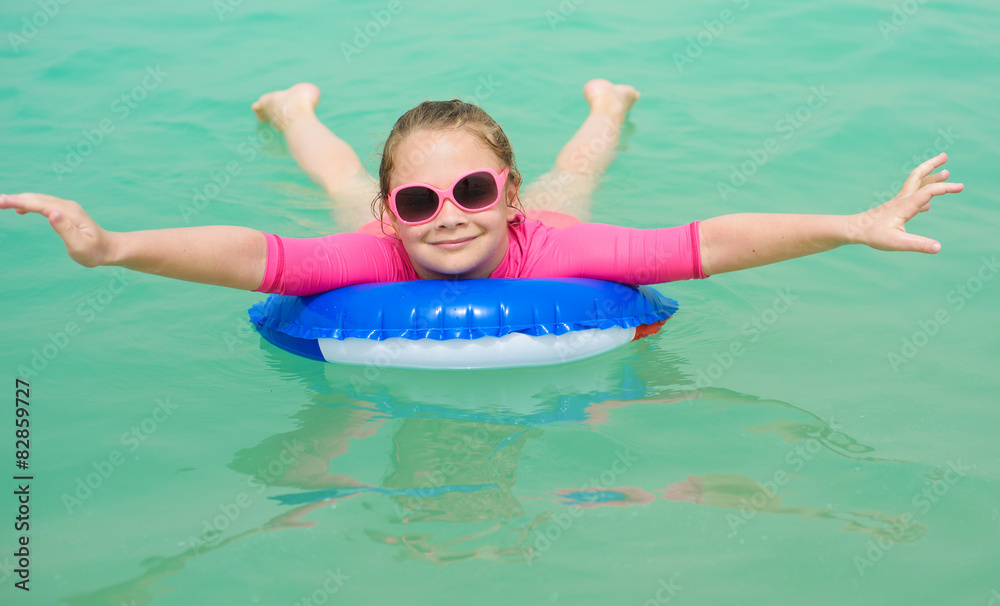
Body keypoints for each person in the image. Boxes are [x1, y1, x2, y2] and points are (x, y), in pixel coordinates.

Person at [0, 80, 963, 297]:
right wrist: (112, 246)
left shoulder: (550, 237)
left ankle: (607, 100)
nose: (446, 215)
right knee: (337, 179)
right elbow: (261, 255)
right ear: (397, 215)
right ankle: (295, 110)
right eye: (417, 201)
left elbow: (708, 242)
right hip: (374, 250)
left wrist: (851, 225)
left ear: (502, 195)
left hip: (547, 240)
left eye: (469, 190)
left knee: (577, 175)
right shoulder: (374, 245)